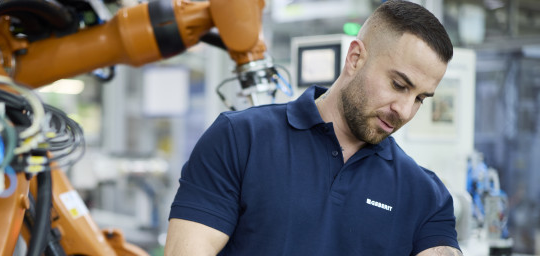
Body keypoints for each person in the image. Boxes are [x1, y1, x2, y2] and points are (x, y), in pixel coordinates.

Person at [165, 1, 462, 255]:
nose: (405, 110)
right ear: (356, 58)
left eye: (420, 98)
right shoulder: (239, 140)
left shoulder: (426, 195)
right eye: (398, 85)